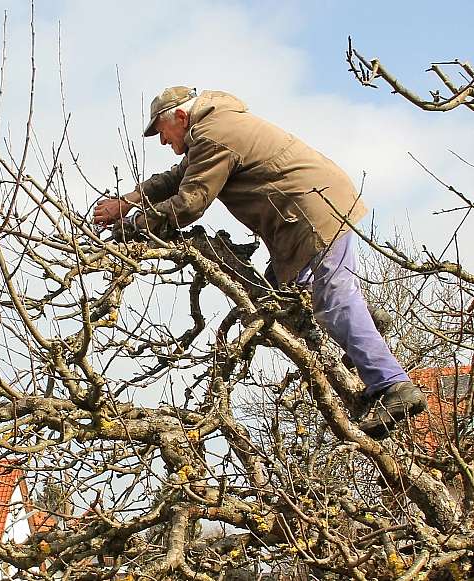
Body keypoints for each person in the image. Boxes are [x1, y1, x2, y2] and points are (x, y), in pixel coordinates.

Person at [93, 87, 426, 439]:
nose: (161, 141)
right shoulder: (212, 129)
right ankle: (368, 320)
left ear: (179, 117)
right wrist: (127, 201)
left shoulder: (213, 135)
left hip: (310, 212)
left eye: (160, 130)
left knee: (334, 301)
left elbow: (190, 203)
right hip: (305, 211)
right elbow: (176, 179)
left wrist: (134, 225)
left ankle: (393, 385)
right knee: (279, 293)